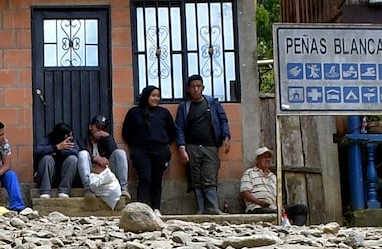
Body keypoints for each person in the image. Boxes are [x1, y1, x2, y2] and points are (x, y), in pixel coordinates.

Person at [175, 75, 231, 213]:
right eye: (192, 87)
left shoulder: (212, 104)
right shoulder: (184, 107)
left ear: (203, 88)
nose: (195, 89)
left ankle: (213, 208)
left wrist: (226, 136)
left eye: (198, 86)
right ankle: (201, 210)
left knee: (210, 176)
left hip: (210, 146)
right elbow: (179, 128)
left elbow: (223, 120)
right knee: (195, 179)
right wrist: (182, 147)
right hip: (192, 147)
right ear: (188, 89)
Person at [121, 85, 176, 211]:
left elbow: (172, 132)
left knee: (157, 179)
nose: (156, 98)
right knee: (144, 178)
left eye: (158, 96)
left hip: (160, 150)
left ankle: (156, 208)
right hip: (141, 151)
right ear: (146, 96)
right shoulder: (134, 112)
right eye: (153, 95)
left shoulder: (164, 113)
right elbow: (126, 132)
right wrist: (135, 145)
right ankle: (142, 209)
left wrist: (164, 144)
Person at [239, 146, 308, 224]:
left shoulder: (273, 177)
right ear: (257, 160)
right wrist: (259, 202)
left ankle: (295, 229)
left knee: (301, 209)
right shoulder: (249, 173)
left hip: (273, 208)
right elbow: (244, 192)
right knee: (274, 213)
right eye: (264, 157)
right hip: (257, 208)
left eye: (269, 157)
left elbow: (277, 197)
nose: (268, 159)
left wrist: (280, 207)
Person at [78, 114, 128, 194]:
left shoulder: (106, 141)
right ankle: (88, 189)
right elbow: (81, 157)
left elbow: (115, 154)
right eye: (97, 127)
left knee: (120, 152)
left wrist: (108, 137)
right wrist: (94, 158)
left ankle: (123, 189)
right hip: (91, 174)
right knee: (82, 154)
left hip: (106, 173)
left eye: (103, 129)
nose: (100, 131)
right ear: (90, 127)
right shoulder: (82, 142)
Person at [34, 122, 78, 199]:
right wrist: (56, 147)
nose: (70, 138)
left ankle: (64, 191)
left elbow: (76, 151)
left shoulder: (71, 141)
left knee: (73, 159)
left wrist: (60, 151)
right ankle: (45, 191)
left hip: (64, 176)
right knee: (47, 158)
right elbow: (38, 150)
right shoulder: (49, 139)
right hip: (49, 176)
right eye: (68, 136)